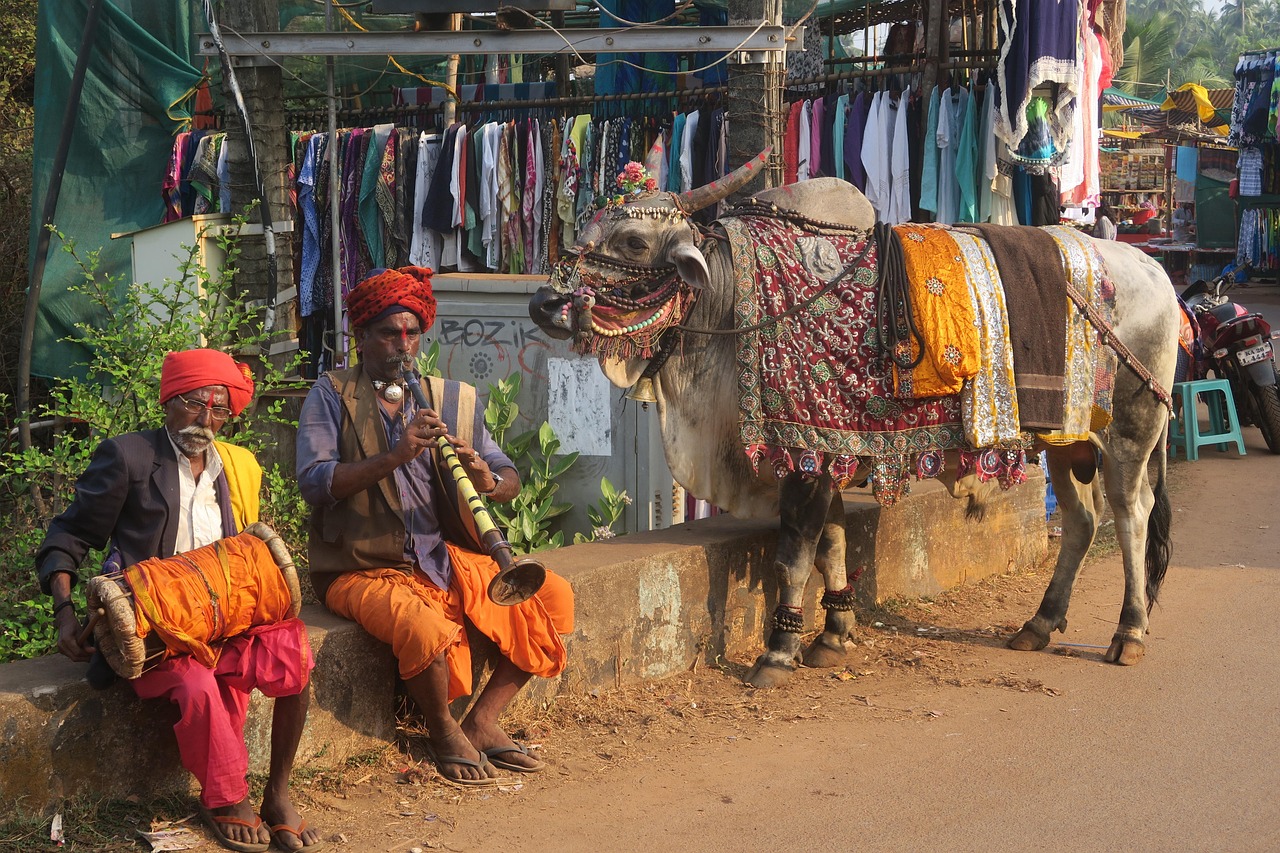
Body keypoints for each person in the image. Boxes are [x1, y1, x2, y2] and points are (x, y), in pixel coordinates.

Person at [35, 349, 323, 853]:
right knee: (195, 684)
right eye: (194, 404)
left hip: (223, 621)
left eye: (218, 410)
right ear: (169, 400)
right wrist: (63, 615)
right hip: (153, 631)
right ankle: (227, 799)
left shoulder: (232, 466)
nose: (205, 420)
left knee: (293, 654)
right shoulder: (128, 457)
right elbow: (69, 536)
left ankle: (277, 793)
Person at [296, 266, 574, 785]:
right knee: (425, 627)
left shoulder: (451, 398)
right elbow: (314, 482)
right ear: (361, 338)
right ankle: (443, 731)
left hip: (440, 554)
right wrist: (395, 455)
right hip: (361, 565)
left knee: (552, 597)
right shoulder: (330, 394)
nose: (403, 344)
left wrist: (484, 478)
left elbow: (509, 477)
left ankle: (484, 723)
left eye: (412, 333)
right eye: (388, 333)